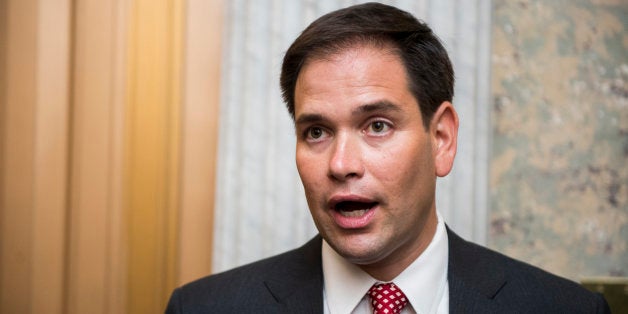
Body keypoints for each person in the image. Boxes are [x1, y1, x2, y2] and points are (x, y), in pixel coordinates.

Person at [166, 3, 610, 313]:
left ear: (441, 139)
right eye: (316, 132)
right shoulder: (204, 307)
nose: (341, 164)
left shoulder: (563, 307)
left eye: (377, 125)